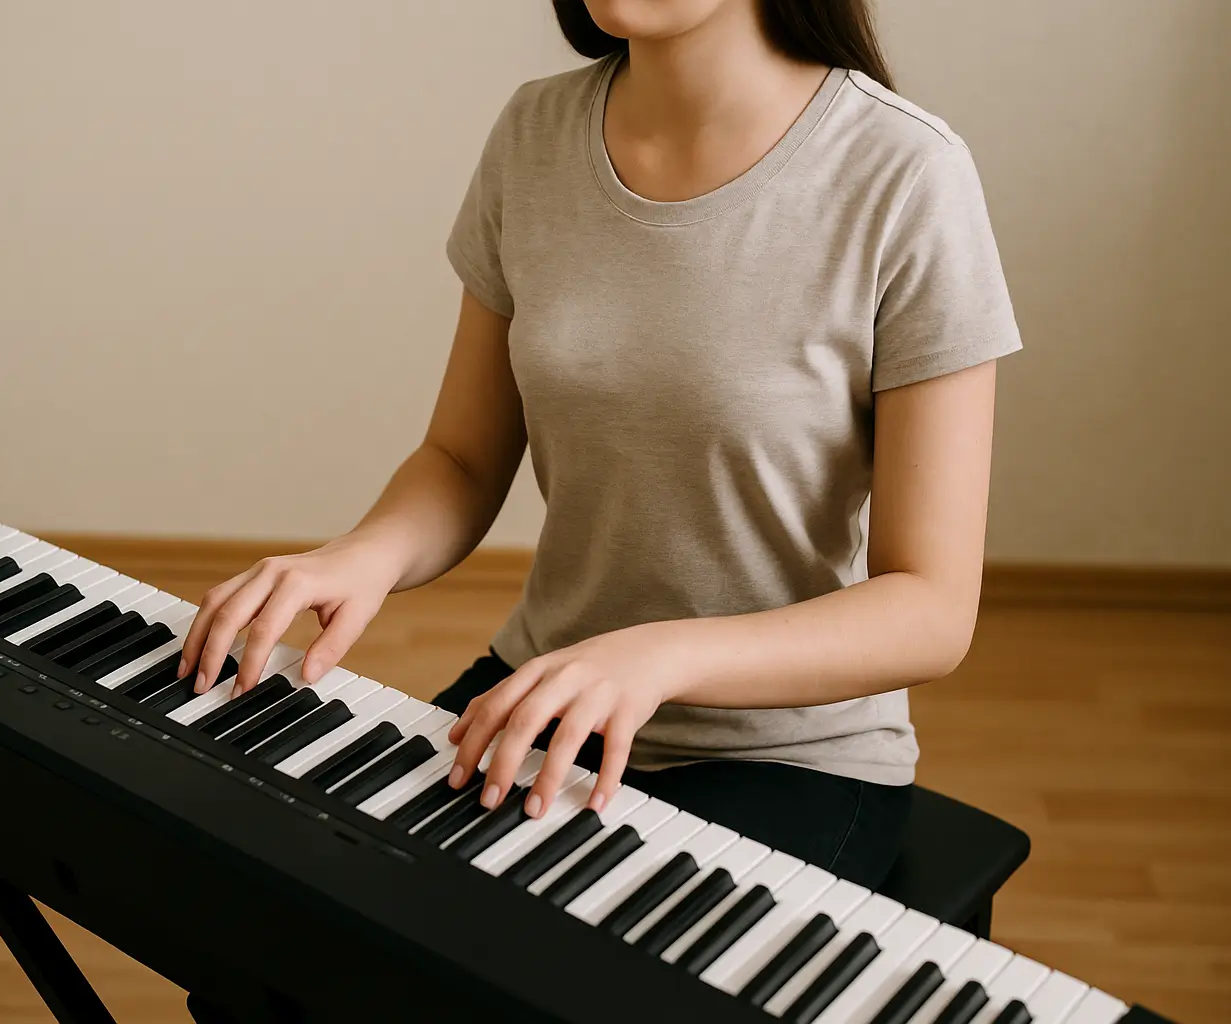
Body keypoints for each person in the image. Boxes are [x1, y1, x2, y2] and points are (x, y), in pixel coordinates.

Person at [177, 0, 1021, 893]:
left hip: (789, 754)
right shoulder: (534, 132)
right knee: (297, 925)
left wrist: (657, 658)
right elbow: (462, 460)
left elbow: (930, 609)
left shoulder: (906, 172)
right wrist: (356, 559)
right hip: (547, 690)